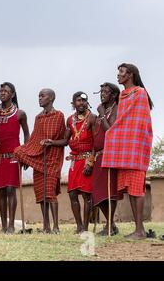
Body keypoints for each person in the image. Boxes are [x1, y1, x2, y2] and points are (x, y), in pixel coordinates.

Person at [102, 63, 153, 240]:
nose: (118, 75)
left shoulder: (140, 93)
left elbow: (139, 121)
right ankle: (139, 229)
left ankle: (140, 230)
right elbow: (121, 122)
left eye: (121, 72)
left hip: (136, 147)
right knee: (131, 190)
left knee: (137, 189)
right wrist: (114, 133)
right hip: (124, 149)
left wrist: (113, 132)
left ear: (130, 75)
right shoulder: (123, 95)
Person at [44, 92, 97, 234]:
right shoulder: (69, 120)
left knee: (87, 195)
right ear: (73, 103)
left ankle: (85, 228)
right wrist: (52, 142)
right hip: (75, 161)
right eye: (78, 101)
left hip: (87, 160)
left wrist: (91, 162)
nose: (82, 103)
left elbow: (96, 143)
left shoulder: (92, 118)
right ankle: (79, 226)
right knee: (73, 194)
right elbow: (66, 141)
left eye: (84, 101)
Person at [14, 89, 66, 234]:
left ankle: (56, 226)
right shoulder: (38, 117)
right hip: (38, 158)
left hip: (52, 158)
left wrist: (51, 142)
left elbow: (62, 140)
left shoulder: (59, 115)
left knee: (50, 193)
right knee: (41, 195)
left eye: (43, 96)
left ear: (51, 98)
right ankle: (46, 226)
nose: (40, 98)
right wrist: (26, 156)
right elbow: (34, 140)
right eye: (39, 96)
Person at [0, 82, 30, 234]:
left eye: (6, 91)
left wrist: (25, 154)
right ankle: (4, 226)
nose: (2, 93)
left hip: (14, 156)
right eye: (1, 91)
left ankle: (12, 225)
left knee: (11, 189)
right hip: (0, 156)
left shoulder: (20, 114)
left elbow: (27, 134)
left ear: (12, 94)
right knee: (1, 190)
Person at [92, 83, 120, 236]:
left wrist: (102, 113)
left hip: (109, 154)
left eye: (106, 92)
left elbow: (110, 131)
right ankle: (112, 224)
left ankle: (109, 225)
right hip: (98, 156)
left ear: (114, 95)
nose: (102, 94)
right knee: (98, 192)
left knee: (109, 191)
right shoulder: (100, 113)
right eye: (101, 91)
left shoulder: (115, 110)